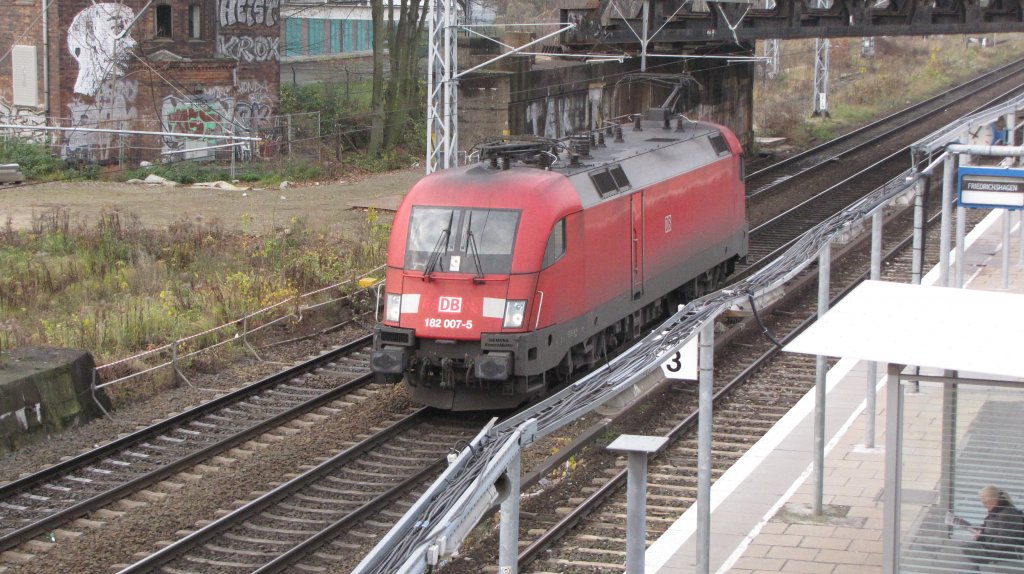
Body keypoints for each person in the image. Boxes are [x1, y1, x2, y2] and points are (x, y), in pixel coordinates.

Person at [962, 485, 1024, 571]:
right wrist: (974, 529)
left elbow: (1006, 542)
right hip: (993, 549)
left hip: (1005, 553)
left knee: (965, 549)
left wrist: (983, 536)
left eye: (985, 502)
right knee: (966, 548)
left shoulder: (1007, 514)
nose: (984, 505)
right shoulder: (996, 512)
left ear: (993, 500)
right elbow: (990, 530)